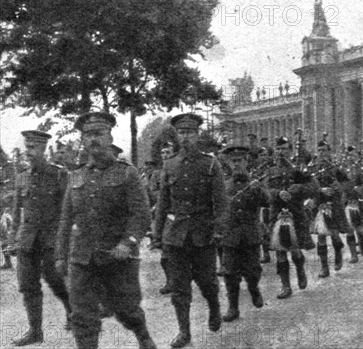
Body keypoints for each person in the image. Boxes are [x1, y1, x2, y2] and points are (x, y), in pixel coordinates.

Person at [55, 112, 156, 349]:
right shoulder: (76, 175)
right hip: (82, 257)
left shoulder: (127, 173)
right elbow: (66, 218)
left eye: (98, 134)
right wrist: (60, 255)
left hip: (117, 257)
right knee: (82, 315)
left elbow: (141, 214)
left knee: (126, 310)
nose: (92, 140)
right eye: (87, 135)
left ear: (109, 136)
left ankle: (143, 336)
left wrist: (127, 243)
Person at [153, 113, 227, 348]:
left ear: (197, 135)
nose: (185, 137)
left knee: (206, 282)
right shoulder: (169, 164)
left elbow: (221, 202)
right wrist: (157, 234)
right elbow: (163, 203)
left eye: (190, 133)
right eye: (182, 133)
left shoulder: (211, 164)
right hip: (176, 236)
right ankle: (184, 332)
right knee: (179, 287)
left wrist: (218, 230)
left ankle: (214, 307)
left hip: (203, 233)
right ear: (176, 135)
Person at [5, 130, 71, 346]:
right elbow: (16, 212)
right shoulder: (22, 176)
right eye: (27, 147)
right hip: (27, 239)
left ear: (44, 149)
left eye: (33, 147)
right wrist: (12, 238)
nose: (28, 151)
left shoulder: (59, 175)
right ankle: (35, 331)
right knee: (27, 285)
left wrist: (64, 240)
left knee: (55, 279)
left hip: (51, 239)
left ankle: (72, 311)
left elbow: (67, 211)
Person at [220, 146, 269, 322]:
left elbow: (267, 201)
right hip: (231, 235)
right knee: (229, 273)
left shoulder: (256, 182)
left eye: (240, 160)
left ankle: (254, 290)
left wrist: (258, 189)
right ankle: (233, 307)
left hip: (250, 234)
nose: (237, 164)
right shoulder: (224, 183)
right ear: (229, 163)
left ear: (246, 161)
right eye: (233, 161)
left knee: (253, 270)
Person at [265, 137, 316, 299]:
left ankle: (300, 270)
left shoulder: (298, 170)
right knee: (280, 250)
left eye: (284, 149)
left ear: (290, 150)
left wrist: (300, 188)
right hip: (277, 214)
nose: (281, 152)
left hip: (296, 214)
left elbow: (314, 186)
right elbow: (264, 191)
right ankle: (285, 286)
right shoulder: (270, 171)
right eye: (278, 149)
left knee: (295, 249)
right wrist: (277, 193)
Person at [308, 140, 350, 277]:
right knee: (321, 236)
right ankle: (324, 267)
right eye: (319, 150)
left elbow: (347, 183)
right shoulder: (312, 168)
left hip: (334, 205)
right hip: (320, 204)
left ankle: (338, 252)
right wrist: (320, 190)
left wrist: (340, 186)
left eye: (324, 150)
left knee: (334, 234)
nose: (321, 153)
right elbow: (307, 186)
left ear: (329, 152)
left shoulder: (335, 168)